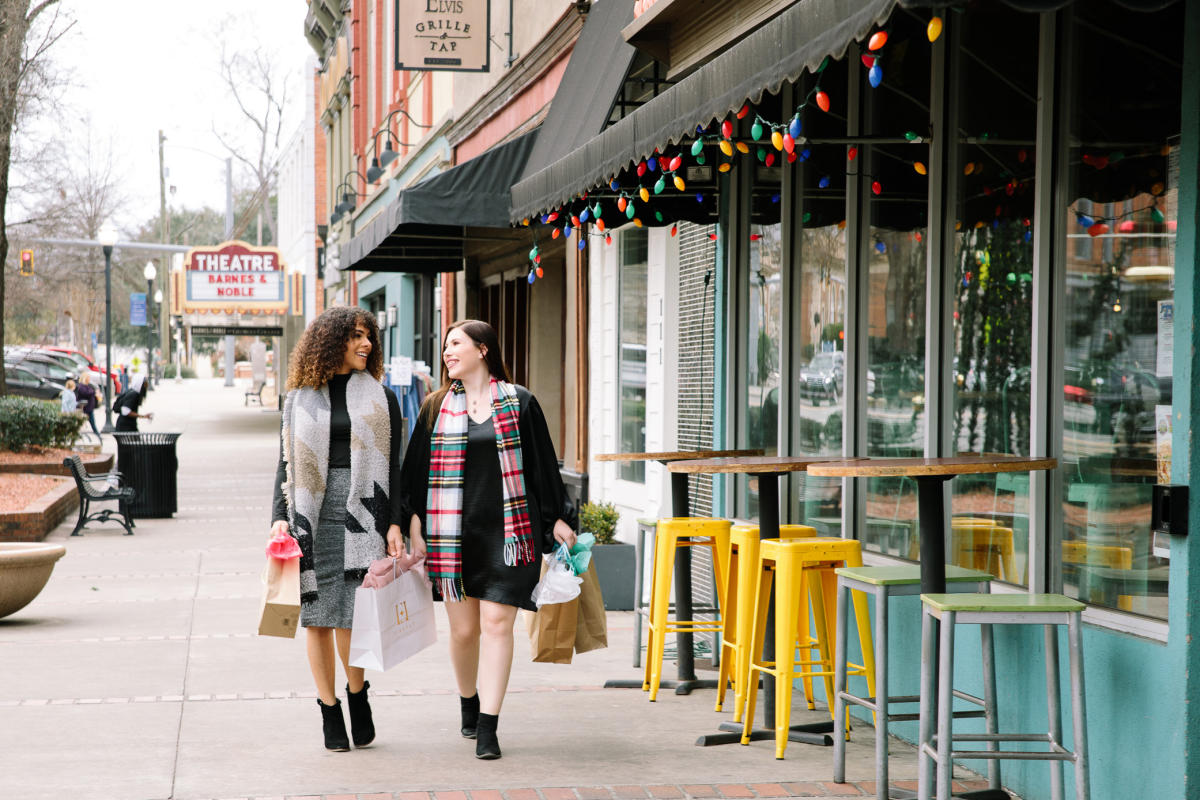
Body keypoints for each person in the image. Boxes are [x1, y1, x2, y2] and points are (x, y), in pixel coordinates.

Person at [399, 319, 577, 760]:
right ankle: (468, 702)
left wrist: (554, 519)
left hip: (509, 534)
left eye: (455, 343)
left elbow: (542, 467)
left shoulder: (520, 403)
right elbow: (414, 471)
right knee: (464, 632)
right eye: (444, 346)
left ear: (482, 349)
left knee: (498, 626)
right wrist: (412, 521)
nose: (447, 352)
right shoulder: (436, 406)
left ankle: (489, 727)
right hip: (452, 535)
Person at [270, 306, 407, 752]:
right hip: (312, 512)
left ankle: (357, 694)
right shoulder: (298, 398)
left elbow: (396, 465)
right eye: (357, 336)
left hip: (364, 512)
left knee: (353, 613)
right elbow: (285, 463)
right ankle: (329, 710)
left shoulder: (383, 398)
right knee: (318, 616)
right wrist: (278, 515)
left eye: (369, 336)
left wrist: (394, 521)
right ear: (332, 342)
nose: (366, 344)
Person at [74, 371, 101, 439]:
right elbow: (86, 393)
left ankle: (97, 434)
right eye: (88, 378)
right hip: (85, 408)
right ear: (85, 378)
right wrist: (94, 392)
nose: (89, 379)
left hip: (89, 407)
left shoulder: (87, 386)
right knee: (85, 422)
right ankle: (97, 434)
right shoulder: (81, 386)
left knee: (90, 422)